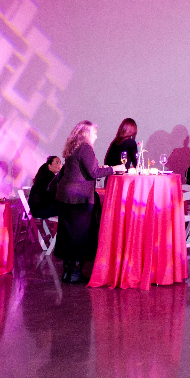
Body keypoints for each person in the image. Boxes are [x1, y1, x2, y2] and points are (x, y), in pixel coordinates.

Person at [54, 121, 113, 283]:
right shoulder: (86, 148)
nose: (96, 136)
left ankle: (68, 271)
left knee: (68, 233)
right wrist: (114, 169)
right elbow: (94, 172)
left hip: (66, 196)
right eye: (94, 133)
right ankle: (75, 273)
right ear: (86, 134)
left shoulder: (73, 147)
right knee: (80, 235)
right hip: (79, 197)